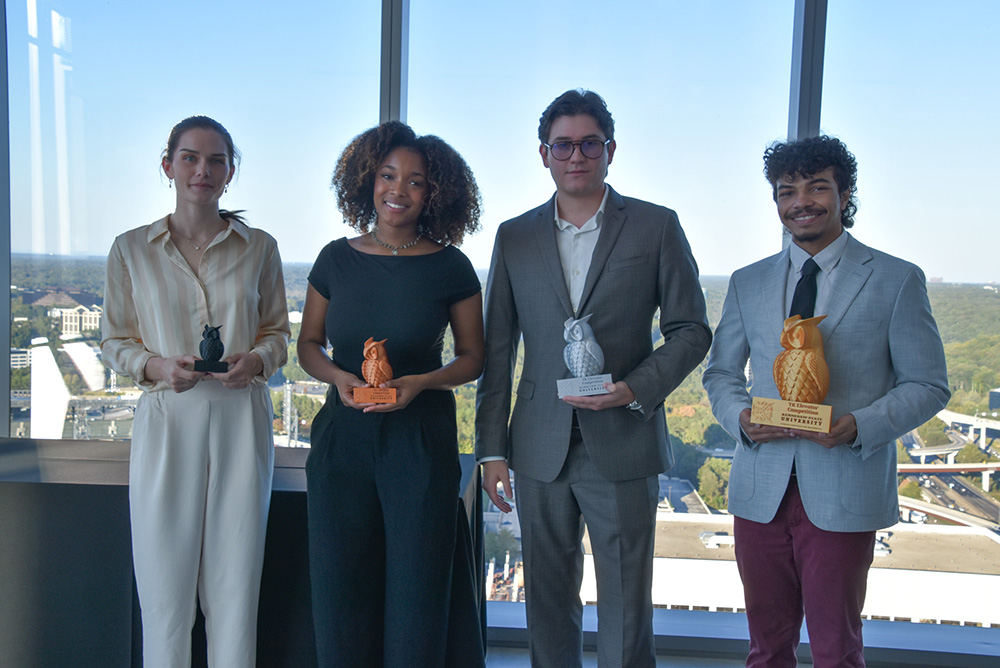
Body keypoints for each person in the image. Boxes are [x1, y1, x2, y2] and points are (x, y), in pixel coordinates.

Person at [475, 89, 712, 667]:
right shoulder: (514, 236)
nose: (575, 155)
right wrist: (490, 451)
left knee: (628, 602)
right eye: (563, 144)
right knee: (548, 602)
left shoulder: (656, 226)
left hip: (624, 439)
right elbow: (498, 351)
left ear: (611, 150)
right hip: (538, 445)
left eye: (588, 143)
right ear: (543, 153)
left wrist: (636, 388)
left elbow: (690, 330)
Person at [702, 135, 950, 668]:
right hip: (760, 488)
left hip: (844, 484)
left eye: (818, 187)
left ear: (845, 193)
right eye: (786, 190)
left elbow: (928, 384)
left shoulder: (896, 279)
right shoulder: (748, 282)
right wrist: (741, 418)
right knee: (766, 650)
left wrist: (859, 425)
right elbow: (721, 373)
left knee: (837, 651)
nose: (801, 201)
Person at [101, 115, 290, 668]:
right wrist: (158, 366)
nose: (202, 170)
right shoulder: (130, 249)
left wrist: (255, 359)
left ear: (230, 172)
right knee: (163, 594)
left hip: (240, 416)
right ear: (168, 166)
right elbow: (114, 341)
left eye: (215, 160)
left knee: (235, 592)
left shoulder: (260, 248)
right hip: (167, 419)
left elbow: (278, 334)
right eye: (190, 158)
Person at [299, 121, 486, 667]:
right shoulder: (335, 259)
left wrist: (421, 383)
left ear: (436, 193)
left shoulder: (450, 265)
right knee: (339, 591)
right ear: (367, 180)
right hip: (343, 443)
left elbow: (474, 358)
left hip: (419, 442)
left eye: (415, 181)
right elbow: (308, 344)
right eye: (387, 176)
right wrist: (341, 379)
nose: (397, 191)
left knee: (417, 594)